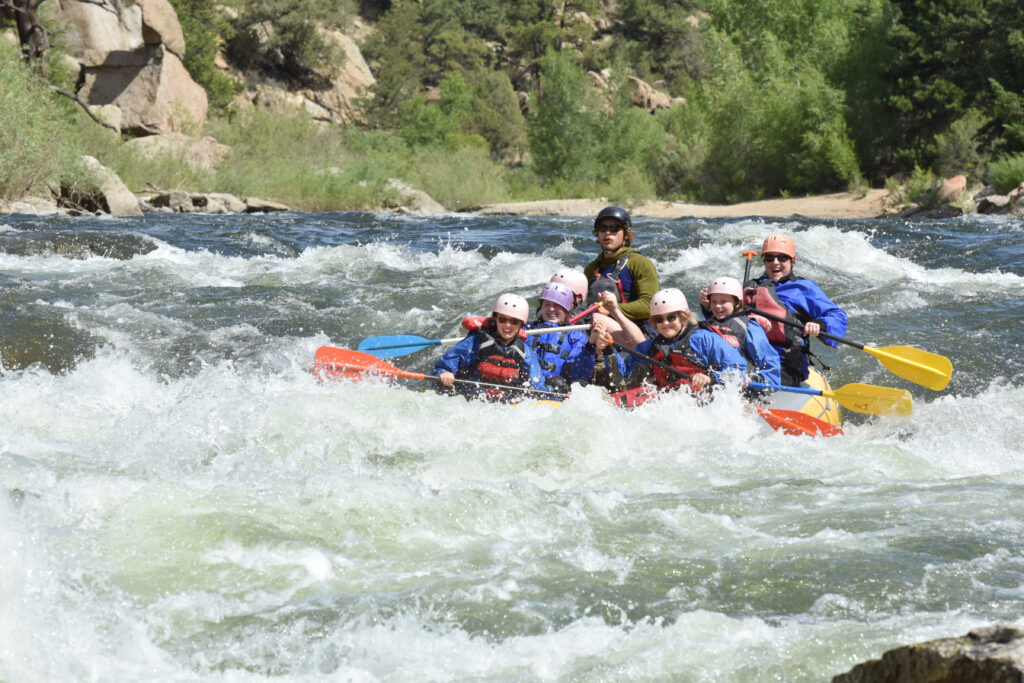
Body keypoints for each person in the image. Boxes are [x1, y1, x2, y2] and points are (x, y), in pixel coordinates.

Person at [742, 234, 849, 386]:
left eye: (782, 258)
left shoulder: (803, 288)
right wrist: (709, 305)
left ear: (793, 260)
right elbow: (729, 321)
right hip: (750, 356)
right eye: (770, 258)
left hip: (786, 361)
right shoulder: (751, 287)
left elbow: (838, 316)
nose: (775, 263)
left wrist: (820, 324)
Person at [594, 288, 745, 395]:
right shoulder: (648, 348)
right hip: (670, 406)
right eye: (659, 319)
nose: (665, 323)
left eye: (671, 317)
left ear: (683, 316)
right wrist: (608, 350)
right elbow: (622, 381)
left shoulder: (704, 339)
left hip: (705, 401)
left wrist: (711, 378)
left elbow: (739, 369)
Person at [432, 293, 548, 402]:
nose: (507, 325)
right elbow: (441, 368)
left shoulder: (526, 352)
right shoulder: (475, 342)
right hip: (470, 400)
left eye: (514, 321)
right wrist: (444, 373)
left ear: (521, 324)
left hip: (507, 406)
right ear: (495, 319)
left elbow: (539, 387)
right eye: (502, 319)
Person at [583, 206, 659, 344]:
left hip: (638, 333)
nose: (607, 233)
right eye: (602, 228)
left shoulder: (640, 263)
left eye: (614, 228)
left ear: (626, 234)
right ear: (597, 234)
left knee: (595, 318)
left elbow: (650, 305)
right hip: (601, 330)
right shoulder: (591, 269)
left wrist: (612, 310)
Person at [699, 276, 781, 386]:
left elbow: (770, 365)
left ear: (737, 303)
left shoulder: (749, 327)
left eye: (724, 301)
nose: (717, 306)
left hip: (743, 386)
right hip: (713, 382)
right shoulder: (706, 326)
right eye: (713, 301)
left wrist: (755, 380)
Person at [526, 281, 595, 393]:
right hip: (527, 387)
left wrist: (590, 346)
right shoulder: (527, 329)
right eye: (547, 304)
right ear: (541, 306)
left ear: (567, 308)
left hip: (560, 390)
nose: (551, 309)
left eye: (557, 305)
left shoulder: (576, 334)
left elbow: (579, 373)